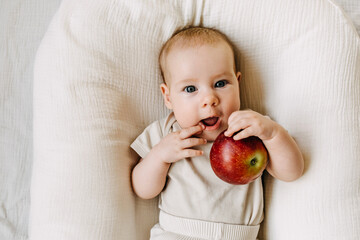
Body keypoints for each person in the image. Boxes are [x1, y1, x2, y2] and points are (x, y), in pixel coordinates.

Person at [131, 26, 304, 240]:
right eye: (190, 89)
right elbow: (142, 189)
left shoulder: (250, 128)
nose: (209, 99)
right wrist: (159, 156)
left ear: (238, 84)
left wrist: (273, 135)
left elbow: (292, 171)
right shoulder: (168, 133)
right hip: (177, 233)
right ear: (168, 97)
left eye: (220, 84)